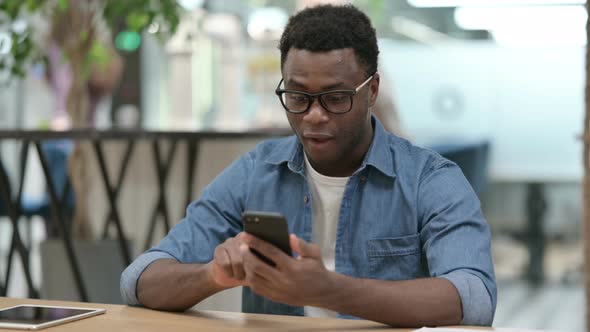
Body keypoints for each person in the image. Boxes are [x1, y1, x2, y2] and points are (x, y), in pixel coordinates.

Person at [121, 4, 496, 327]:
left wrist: (332, 291)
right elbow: (140, 280)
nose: (314, 117)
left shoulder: (428, 179)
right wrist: (213, 274)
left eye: (335, 98)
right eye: (298, 97)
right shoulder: (256, 171)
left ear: (373, 90)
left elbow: (474, 296)